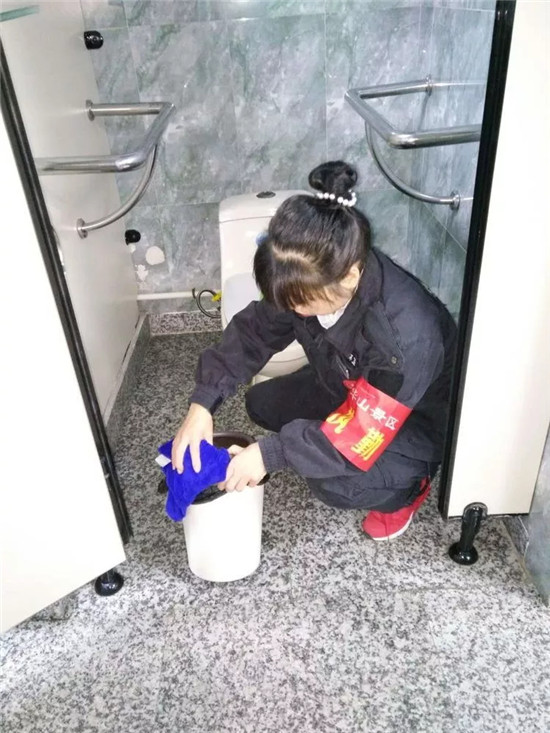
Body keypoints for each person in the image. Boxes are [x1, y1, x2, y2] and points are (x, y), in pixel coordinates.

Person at [171, 161, 457, 540]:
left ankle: (409, 488)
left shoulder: (405, 338)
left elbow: (362, 431)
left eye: (303, 303)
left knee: (334, 483)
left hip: (406, 422)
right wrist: (202, 404)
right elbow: (254, 331)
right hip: (345, 382)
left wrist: (271, 454)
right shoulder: (312, 273)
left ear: (351, 276)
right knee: (261, 403)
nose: (295, 311)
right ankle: (318, 434)